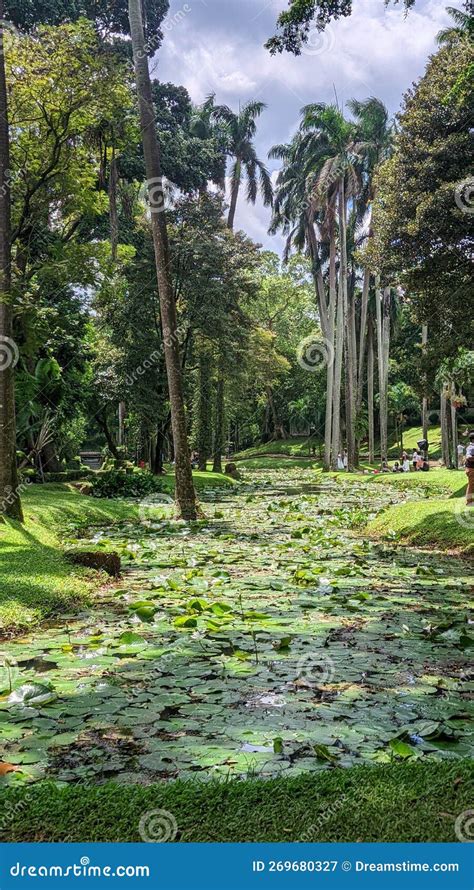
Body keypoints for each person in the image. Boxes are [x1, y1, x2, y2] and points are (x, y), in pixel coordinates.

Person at [465, 432, 474, 507]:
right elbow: (468, 457)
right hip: (471, 469)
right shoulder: (471, 447)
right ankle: (469, 502)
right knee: (471, 485)